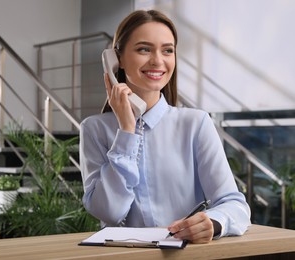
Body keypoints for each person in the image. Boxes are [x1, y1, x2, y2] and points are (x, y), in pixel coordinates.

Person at [79, 9, 251, 244]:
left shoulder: (196, 124)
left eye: (167, 50)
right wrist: (126, 131)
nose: (158, 60)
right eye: (144, 49)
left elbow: (235, 204)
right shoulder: (94, 129)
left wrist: (214, 222)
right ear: (116, 59)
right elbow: (109, 211)